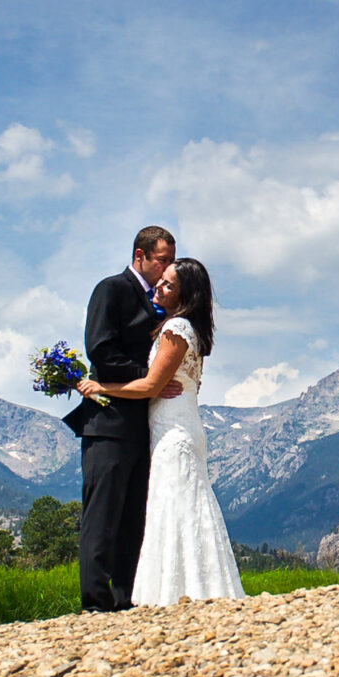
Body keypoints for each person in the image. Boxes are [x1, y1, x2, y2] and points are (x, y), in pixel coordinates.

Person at [79, 257, 244, 606]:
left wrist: (102, 387)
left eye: (169, 285)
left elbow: (152, 385)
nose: (159, 287)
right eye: (161, 280)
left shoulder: (177, 328)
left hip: (173, 432)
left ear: (186, 295)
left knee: (174, 504)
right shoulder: (188, 328)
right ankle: (194, 587)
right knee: (183, 504)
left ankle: (174, 592)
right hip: (177, 424)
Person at [64, 226, 180, 610]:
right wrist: (147, 379)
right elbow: (100, 349)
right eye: (161, 260)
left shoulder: (160, 304)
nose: (166, 268)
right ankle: (94, 601)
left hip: (142, 424)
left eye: (169, 262)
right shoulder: (110, 289)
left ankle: (125, 597)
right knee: (102, 515)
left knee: (133, 516)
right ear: (139, 257)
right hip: (108, 422)